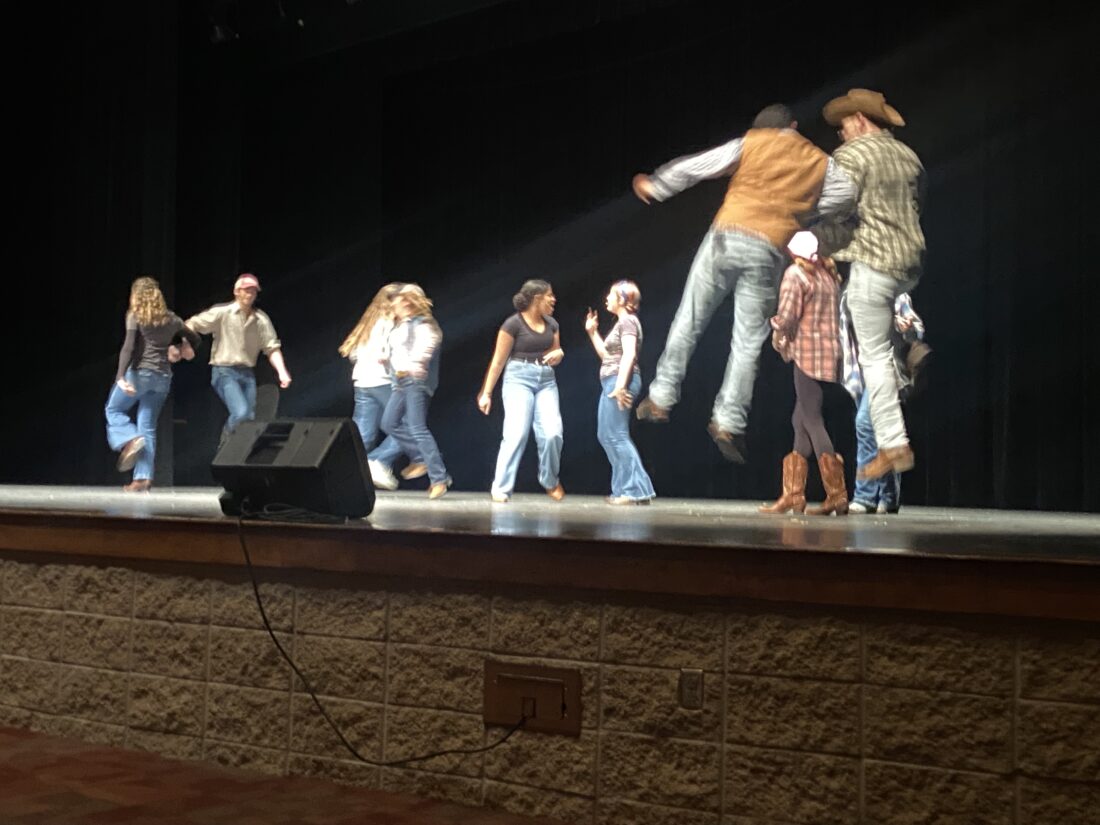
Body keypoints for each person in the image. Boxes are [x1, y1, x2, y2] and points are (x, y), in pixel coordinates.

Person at [631, 103, 856, 463]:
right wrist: (805, 209)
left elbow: (700, 165)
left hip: (726, 236)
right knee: (748, 341)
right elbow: (847, 195)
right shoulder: (821, 162)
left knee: (690, 318)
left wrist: (657, 185)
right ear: (793, 125)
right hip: (769, 249)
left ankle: (660, 398)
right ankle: (729, 422)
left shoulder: (752, 142)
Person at [822, 89, 926, 481]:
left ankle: (894, 443)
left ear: (860, 120)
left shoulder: (852, 155)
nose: (842, 134)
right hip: (909, 263)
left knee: (874, 356)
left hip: (874, 261)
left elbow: (833, 204)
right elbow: (917, 203)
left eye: (844, 126)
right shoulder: (909, 156)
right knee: (884, 341)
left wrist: (818, 235)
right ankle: (907, 353)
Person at [760, 233, 847, 515]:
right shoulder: (828, 275)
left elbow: (787, 317)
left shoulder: (796, 275)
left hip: (807, 354)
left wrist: (777, 334)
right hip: (829, 354)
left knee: (812, 419)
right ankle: (793, 495)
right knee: (800, 420)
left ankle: (837, 494)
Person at [105, 276, 200, 491]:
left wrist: (120, 377)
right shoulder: (172, 319)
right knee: (147, 425)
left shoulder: (135, 316)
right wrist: (180, 345)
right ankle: (143, 478)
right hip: (163, 378)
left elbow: (129, 347)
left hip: (140, 374)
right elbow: (194, 338)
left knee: (113, 409)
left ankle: (129, 439)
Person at [840, 291, 929, 514]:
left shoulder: (894, 293)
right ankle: (889, 497)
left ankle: (865, 496)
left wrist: (905, 327)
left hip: (885, 368)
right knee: (879, 431)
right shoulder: (849, 295)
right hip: (859, 371)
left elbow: (916, 329)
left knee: (864, 422)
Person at [477, 280, 565, 503]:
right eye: (549, 295)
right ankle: (501, 487)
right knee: (516, 433)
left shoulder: (552, 324)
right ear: (537, 298)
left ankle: (550, 480)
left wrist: (559, 354)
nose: (553, 299)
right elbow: (498, 361)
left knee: (553, 433)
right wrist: (486, 393)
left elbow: (555, 352)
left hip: (546, 380)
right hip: (518, 378)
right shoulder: (513, 324)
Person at [184, 274, 291, 443]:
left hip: (246, 373)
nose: (250, 294)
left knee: (249, 418)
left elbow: (272, 347)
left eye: (253, 291)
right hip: (224, 371)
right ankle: (226, 442)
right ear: (237, 292)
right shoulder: (223, 313)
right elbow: (192, 323)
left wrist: (282, 372)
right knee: (241, 412)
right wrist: (185, 343)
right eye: (246, 290)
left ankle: (238, 449)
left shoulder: (260, 319)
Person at [338, 283, 424, 491]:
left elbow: (354, 354)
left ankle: (347, 473)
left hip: (363, 380)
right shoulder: (391, 324)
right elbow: (386, 353)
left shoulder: (370, 322)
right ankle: (377, 461)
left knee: (363, 433)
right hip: (383, 381)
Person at [585, 280, 656, 505]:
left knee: (616, 435)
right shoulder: (621, 323)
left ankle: (633, 490)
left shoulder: (628, 322)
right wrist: (592, 332)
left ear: (623, 299)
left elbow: (629, 354)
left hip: (620, 381)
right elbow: (607, 356)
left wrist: (620, 386)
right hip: (613, 380)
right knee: (607, 435)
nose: (607, 298)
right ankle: (630, 489)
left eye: (611, 294)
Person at [379, 284, 451, 499]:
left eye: (401, 301)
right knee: (389, 423)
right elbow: (396, 350)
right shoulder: (399, 325)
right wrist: (387, 360)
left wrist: (413, 365)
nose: (396, 305)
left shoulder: (423, 324)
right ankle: (421, 459)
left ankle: (439, 478)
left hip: (414, 380)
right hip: (401, 381)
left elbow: (426, 347)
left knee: (417, 427)